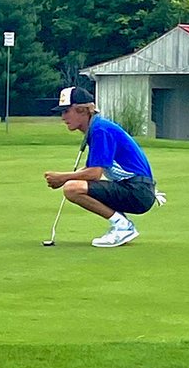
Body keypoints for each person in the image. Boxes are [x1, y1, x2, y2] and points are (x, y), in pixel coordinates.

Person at [44, 86, 163, 248]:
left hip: (138, 191)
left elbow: (94, 174)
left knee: (72, 188)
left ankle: (122, 226)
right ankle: (122, 225)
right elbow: (90, 171)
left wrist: (62, 178)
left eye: (66, 111)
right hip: (136, 188)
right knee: (74, 185)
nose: (63, 117)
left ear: (82, 110)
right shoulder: (97, 128)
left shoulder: (100, 130)